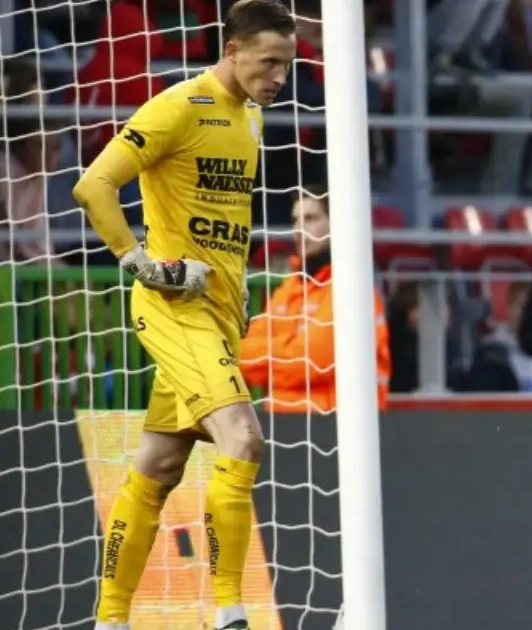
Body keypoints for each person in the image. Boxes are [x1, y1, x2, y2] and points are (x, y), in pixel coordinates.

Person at [71, 2, 296, 629]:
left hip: (219, 313)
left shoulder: (251, 118)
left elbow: (224, 221)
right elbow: (93, 187)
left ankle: (110, 619)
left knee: (160, 465)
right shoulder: (177, 107)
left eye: (287, 65)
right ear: (233, 50)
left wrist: (237, 289)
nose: (279, 77)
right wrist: (140, 262)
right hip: (173, 307)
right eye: (269, 62)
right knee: (243, 439)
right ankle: (231, 613)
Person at [240, 185, 391, 413]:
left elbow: (313, 361)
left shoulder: (351, 288)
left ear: (335, 223)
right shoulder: (290, 287)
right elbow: (241, 352)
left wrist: (271, 351)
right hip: (282, 422)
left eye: (310, 219)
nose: (299, 229)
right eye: (295, 220)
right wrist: (289, 347)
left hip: (339, 423)